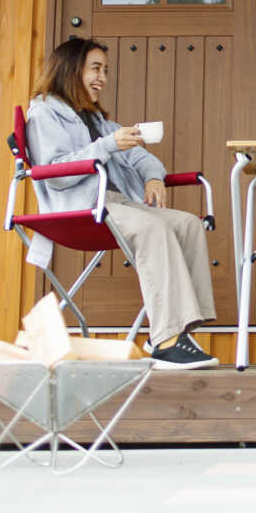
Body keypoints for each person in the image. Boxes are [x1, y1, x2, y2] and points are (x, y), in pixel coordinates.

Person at [25, 37, 218, 370]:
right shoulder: (44, 112)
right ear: (71, 70)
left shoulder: (98, 121)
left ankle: (178, 331)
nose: (103, 77)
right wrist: (106, 146)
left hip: (114, 203)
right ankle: (167, 339)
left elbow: (143, 157)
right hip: (79, 207)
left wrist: (153, 178)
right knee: (153, 226)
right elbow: (54, 174)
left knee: (187, 224)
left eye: (105, 70)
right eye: (95, 68)